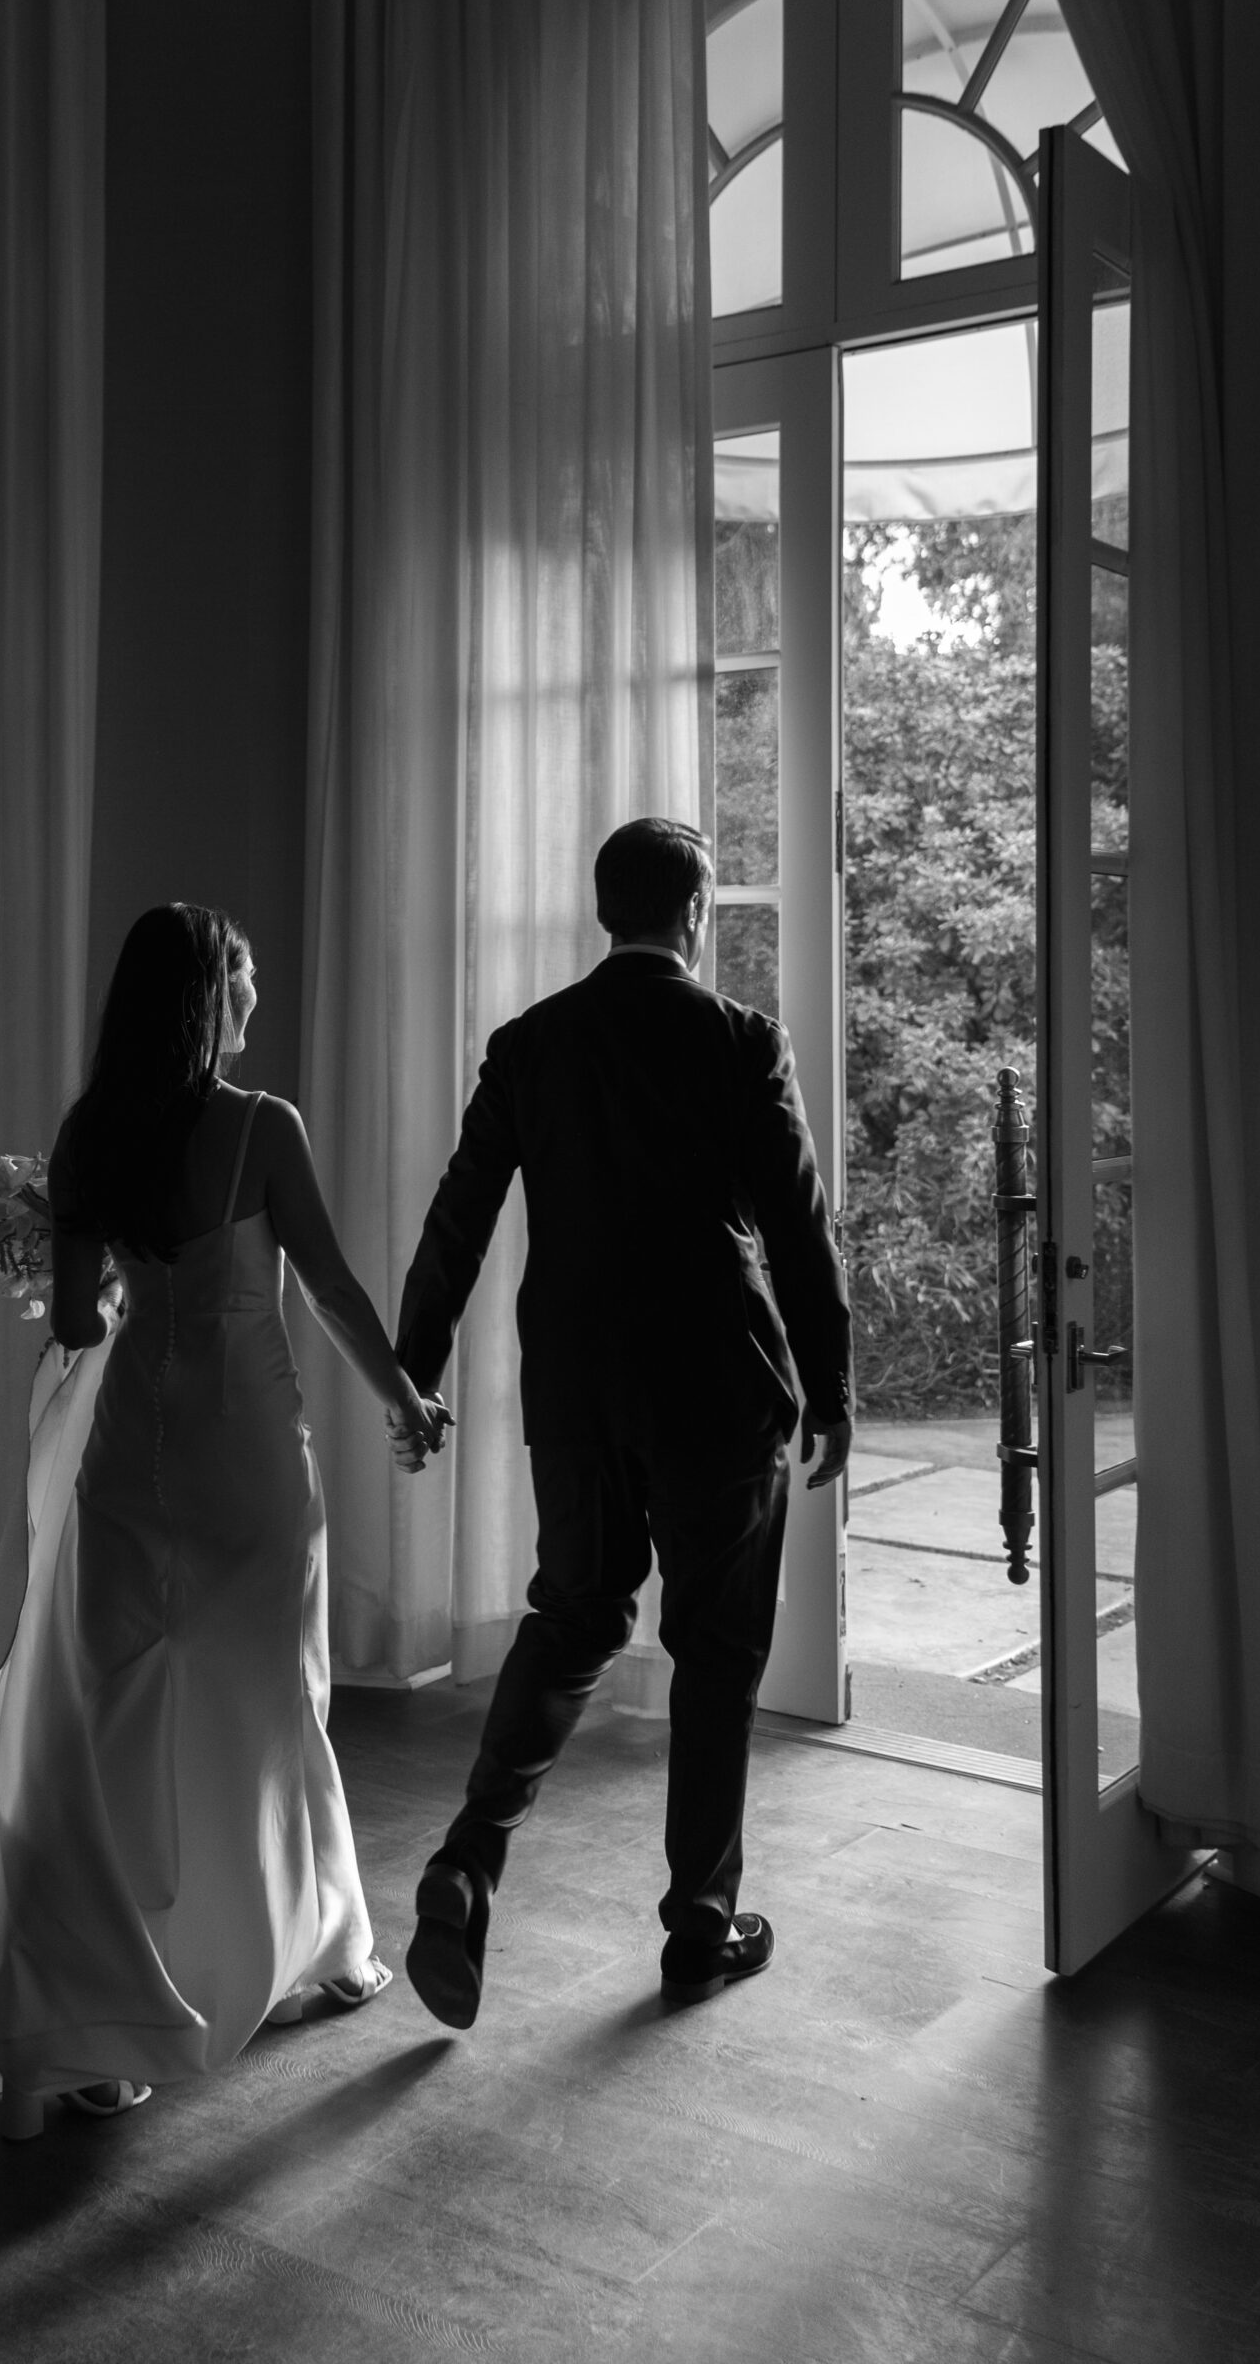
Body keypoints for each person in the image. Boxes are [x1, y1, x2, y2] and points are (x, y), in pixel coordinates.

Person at [0, 903, 449, 2138]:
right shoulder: (262, 1128)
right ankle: (309, 1951)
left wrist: (82, 1270)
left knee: (109, 1715)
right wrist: (406, 1397)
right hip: (251, 1463)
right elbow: (332, 1287)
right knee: (265, 1702)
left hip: (134, 1464)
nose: (254, 1005)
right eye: (244, 985)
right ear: (211, 998)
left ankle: (103, 2025)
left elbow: (85, 1327)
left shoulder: (93, 1130)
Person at [390, 817, 852, 2026]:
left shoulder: (531, 1043)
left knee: (577, 1608)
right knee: (717, 1649)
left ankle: (469, 1859)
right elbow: (800, 1228)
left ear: (608, 910)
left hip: (580, 1389)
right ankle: (701, 1918)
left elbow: (459, 1218)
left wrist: (414, 1369)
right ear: (695, 908)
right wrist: (836, 1381)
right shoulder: (743, 1040)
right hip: (719, 1386)